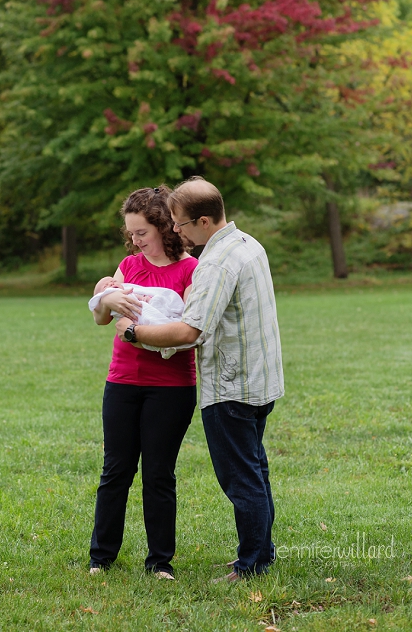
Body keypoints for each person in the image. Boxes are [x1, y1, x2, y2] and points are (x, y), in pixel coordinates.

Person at [116, 177, 284, 580]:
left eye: (181, 224)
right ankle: (262, 553)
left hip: (232, 387)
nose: (176, 231)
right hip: (261, 382)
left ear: (204, 220)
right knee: (255, 470)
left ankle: (251, 566)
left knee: (241, 479)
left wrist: (132, 332)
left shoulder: (217, 263)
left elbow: (190, 332)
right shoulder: (248, 245)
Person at [89, 185, 198, 579]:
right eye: (131, 233)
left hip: (171, 387)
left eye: (142, 233)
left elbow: (189, 333)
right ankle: (101, 558)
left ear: (167, 228)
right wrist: (107, 301)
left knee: (158, 473)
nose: (135, 241)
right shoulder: (129, 265)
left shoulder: (191, 270)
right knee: (115, 470)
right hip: (122, 381)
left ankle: (159, 563)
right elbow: (103, 321)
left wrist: (138, 326)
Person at [89, 277, 192, 358]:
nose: (110, 284)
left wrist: (133, 332)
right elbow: (100, 320)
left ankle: (165, 346)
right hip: (123, 371)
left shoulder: (190, 267)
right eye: (105, 286)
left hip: (173, 375)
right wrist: (106, 300)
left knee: (158, 321)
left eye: (112, 281)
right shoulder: (128, 263)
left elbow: (191, 331)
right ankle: (164, 348)